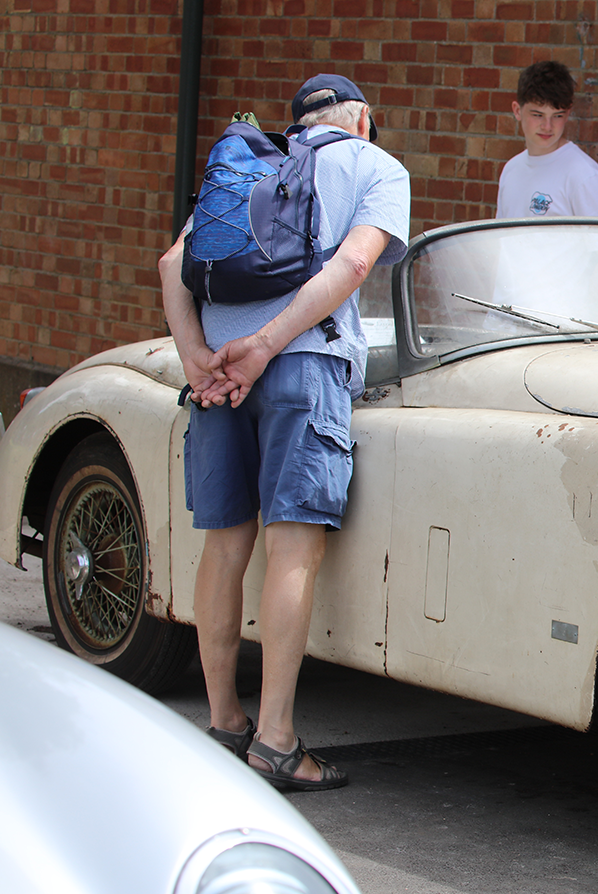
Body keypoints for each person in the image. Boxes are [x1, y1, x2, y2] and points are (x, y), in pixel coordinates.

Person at [159, 73, 412, 790]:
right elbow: (356, 262)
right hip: (303, 366)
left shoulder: (248, 162)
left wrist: (199, 359)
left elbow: (173, 263)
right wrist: (268, 344)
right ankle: (275, 740)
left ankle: (223, 721)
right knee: (292, 549)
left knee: (226, 544)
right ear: (362, 118)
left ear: (297, 123)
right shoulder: (375, 165)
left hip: (216, 373)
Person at [496, 60, 598, 219]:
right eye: (538, 115)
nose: (547, 126)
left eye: (557, 116)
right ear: (517, 111)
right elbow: (501, 238)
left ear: (567, 114)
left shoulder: (583, 175)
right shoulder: (511, 170)